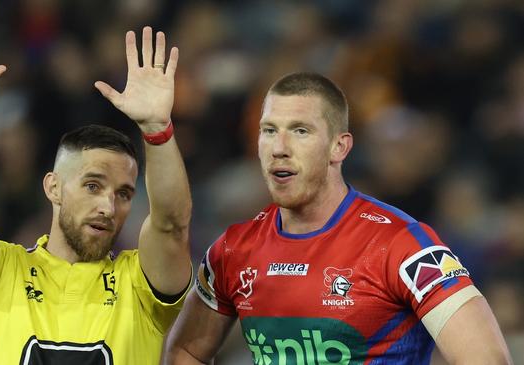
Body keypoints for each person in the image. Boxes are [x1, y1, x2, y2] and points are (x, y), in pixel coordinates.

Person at [165, 72, 513, 364]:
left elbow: (486, 358)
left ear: (339, 147)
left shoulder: (400, 244)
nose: (279, 147)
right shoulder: (232, 250)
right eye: (269, 130)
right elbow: (186, 350)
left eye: (300, 131)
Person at [0, 14, 192, 364]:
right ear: (53, 187)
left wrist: (158, 129)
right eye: (93, 185)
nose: (108, 207)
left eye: (124, 194)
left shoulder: (140, 285)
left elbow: (171, 224)